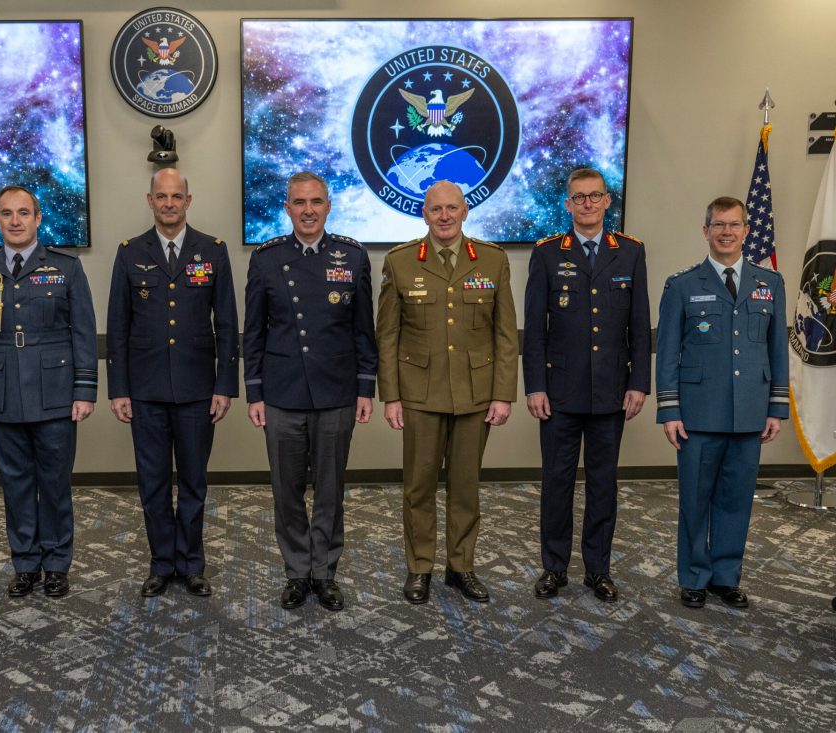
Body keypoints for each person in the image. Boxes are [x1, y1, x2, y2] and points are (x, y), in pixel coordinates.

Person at [377, 180, 518, 605]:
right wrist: (392, 396)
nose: (444, 215)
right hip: (419, 393)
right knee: (417, 487)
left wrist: (503, 394)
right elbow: (387, 334)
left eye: (452, 208)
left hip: (475, 394)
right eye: (436, 209)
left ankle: (461, 566)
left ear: (465, 211)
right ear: (424, 213)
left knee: (465, 487)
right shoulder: (401, 262)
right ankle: (420, 567)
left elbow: (505, 333)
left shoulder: (491, 260)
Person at [243, 171, 377, 611]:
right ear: (287, 208)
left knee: (330, 490)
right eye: (299, 202)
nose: (308, 210)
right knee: (286, 491)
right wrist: (255, 392)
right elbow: (254, 333)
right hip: (282, 394)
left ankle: (325, 572)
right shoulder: (266, 259)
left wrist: (364, 387)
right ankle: (297, 571)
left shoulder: (352, 257)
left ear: (328, 206)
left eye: (316, 202)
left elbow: (363, 331)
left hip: (336, 392)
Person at [0, 185, 97, 599]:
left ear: (38, 219)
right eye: (6, 213)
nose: (15, 221)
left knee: (55, 483)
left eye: (23, 213)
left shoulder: (65, 268)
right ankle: (25, 563)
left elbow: (84, 333)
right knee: (15, 483)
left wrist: (84, 390)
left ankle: (56, 563)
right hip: (1, 392)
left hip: (55, 391)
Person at [106, 168, 238, 598]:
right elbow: (118, 327)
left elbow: (228, 326)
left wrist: (224, 387)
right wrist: (119, 389)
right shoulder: (129, 253)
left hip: (199, 390)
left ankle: (193, 564)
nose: (168, 203)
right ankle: (162, 564)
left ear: (188, 200)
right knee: (154, 483)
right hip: (144, 392)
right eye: (161, 196)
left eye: (175, 196)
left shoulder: (213, 251)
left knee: (195, 483)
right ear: (150, 200)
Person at [523, 168, 651, 603]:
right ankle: (554, 568)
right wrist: (535, 386)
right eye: (579, 198)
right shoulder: (546, 254)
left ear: (607, 201)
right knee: (556, 483)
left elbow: (639, 326)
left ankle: (598, 570)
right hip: (559, 393)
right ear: (568, 204)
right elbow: (534, 329)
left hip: (612, 393)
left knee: (603, 485)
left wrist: (639, 384)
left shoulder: (630, 252)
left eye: (595, 196)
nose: (588, 204)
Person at [656, 196, 788, 609]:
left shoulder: (771, 284)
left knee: (735, 500)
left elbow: (777, 349)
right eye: (718, 225)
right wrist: (670, 410)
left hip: (750, 411)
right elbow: (667, 352)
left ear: (747, 231)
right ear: (705, 231)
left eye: (734, 225)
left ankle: (726, 577)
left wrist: (776, 407)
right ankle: (695, 576)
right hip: (698, 413)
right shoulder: (681, 285)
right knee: (695, 501)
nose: (727, 232)